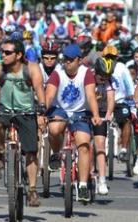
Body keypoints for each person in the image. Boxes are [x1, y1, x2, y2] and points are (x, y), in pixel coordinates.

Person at [0, 39, 46, 205]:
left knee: (31, 151)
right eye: (2, 51)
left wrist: (42, 107)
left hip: (26, 111)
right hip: (5, 108)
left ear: (19, 55)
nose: (3, 55)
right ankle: (0, 151)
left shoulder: (31, 68)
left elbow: (39, 89)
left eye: (8, 52)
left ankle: (32, 190)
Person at [45, 44, 102, 202]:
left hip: (80, 112)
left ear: (79, 60)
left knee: (84, 145)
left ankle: (83, 185)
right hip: (60, 109)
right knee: (54, 129)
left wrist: (96, 114)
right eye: (65, 59)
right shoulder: (57, 72)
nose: (67, 62)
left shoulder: (86, 73)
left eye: (71, 60)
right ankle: (56, 154)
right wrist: (43, 111)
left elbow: (90, 96)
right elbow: (49, 94)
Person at [92, 52, 119, 195]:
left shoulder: (109, 81)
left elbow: (110, 98)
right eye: (102, 76)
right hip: (87, 111)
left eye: (107, 76)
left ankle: (102, 179)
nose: (104, 79)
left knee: (100, 144)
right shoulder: (88, 78)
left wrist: (109, 114)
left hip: (101, 113)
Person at [105, 45, 135, 163]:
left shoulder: (122, 68)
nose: (110, 59)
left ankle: (123, 149)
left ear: (117, 57)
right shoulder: (100, 66)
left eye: (112, 57)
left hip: (120, 102)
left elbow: (129, 85)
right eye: (107, 57)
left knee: (126, 121)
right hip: (105, 102)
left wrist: (131, 95)